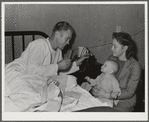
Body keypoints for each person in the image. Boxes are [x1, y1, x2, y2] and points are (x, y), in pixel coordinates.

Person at [5, 21, 88, 111]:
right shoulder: (40, 44)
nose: (68, 43)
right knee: (32, 98)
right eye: (67, 39)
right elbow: (31, 70)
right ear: (57, 34)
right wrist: (57, 66)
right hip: (17, 73)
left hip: (34, 78)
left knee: (70, 81)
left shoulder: (58, 51)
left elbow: (58, 71)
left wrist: (76, 64)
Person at [81, 32, 142, 112]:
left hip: (123, 101)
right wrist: (96, 88)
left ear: (125, 48)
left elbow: (129, 92)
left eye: (115, 46)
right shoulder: (112, 58)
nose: (111, 49)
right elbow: (103, 76)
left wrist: (107, 95)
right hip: (104, 95)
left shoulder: (135, 66)